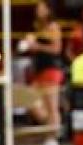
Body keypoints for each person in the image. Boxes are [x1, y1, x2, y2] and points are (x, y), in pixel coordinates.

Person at [24, 0, 63, 129]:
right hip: (39, 69)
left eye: (41, 8)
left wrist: (37, 46)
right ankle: (50, 127)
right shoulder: (38, 27)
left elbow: (57, 49)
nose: (38, 11)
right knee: (31, 101)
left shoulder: (53, 26)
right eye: (37, 8)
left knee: (51, 106)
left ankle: (53, 134)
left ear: (48, 10)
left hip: (51, 69)